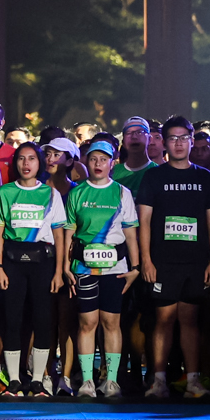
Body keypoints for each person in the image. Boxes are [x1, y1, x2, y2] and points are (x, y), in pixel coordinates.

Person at [136, 114, 210, 400]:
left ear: (192, 141)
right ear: (164, 143)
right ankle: (159, 381)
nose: (178, 143)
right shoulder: (153, 176)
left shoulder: (205, 178)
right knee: (163, 319)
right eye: (172, 138)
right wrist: (146, 260)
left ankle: (193, 381)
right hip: (162, 261)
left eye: (184, 138)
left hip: (196, 261)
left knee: (190, 319)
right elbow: (144, 221)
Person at [0, 141, 67, 397]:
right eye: (21, 158)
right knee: (13, 319)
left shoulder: (51, 194)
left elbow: (59, 235)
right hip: (12, 262)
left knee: (42, 320)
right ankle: (14, 379)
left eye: (31, 158)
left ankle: (36, 380)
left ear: (39, 163)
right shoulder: (5, 192)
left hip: (43, 263)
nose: (26, 163)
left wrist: (58, 271)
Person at [65, 139, 140, 400]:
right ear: (86, 161)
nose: (98, 164)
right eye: (93, 159)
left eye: (104, 159)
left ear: (112, 163)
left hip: (115, 268)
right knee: (87, 322)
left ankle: (111, 380)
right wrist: (65, 266)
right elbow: (69, 233)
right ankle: (87, 380)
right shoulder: (77, 193)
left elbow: (131, 234)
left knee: (111, 322)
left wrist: (135, 267)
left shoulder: (122, 193)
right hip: (84, 268)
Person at [113, 116, 152, 191]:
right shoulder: (112, 173)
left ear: (149, 139)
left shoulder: (158, 172)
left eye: (140, 132)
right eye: (128, 133)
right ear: (123, 142)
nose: (134, 137)